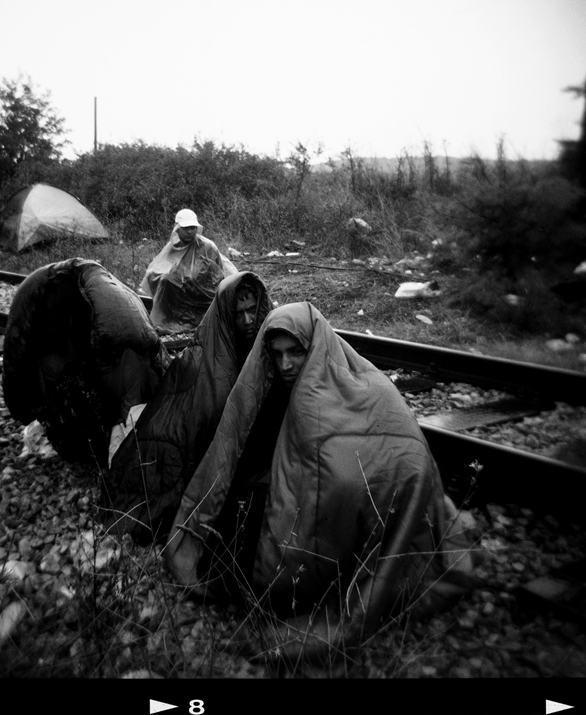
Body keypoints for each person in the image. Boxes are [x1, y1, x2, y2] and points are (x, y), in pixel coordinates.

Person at [164, 302, 479, 661]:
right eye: (277, 353)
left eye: (296, 352)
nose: (285, 365)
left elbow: (402, 457)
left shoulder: (362, 382)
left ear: (316, 347)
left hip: (371, 507)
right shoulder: (277, 387)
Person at [103, 272, 273, 542]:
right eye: (239, 314)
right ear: (227, 316)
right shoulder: (209, 350)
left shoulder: (269, 345)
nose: (248, 321)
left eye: (253, 311)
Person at [2, 258, 165, 466]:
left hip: (112, 355)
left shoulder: (125, 350)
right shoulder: (69, 310)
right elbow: (18, 353)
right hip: (102, 353)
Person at [140, 208, 238, 334]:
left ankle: (194, 320)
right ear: (177, 229)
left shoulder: (207, 246)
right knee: (165, 280)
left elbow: (217, 276)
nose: (190, 231)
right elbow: (158, 268)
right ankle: (172, 320)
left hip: (204, 295)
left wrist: (190, 279)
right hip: (182, 291)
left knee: (180, 281)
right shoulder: (174, 246)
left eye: (192, 228)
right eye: (186, 228)